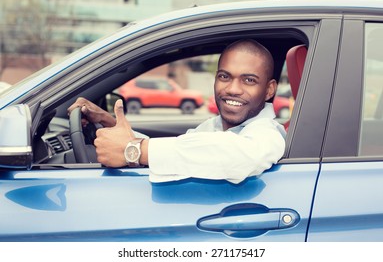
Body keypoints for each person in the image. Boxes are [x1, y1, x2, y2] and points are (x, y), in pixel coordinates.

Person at [68, 39, 286, 184]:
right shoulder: (214, 126)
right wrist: (108, 122)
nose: (233, 89)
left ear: (269, 90)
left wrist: (133, 150)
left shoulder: (269, 135)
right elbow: (184, 148)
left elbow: (235, 155)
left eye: (249, 80)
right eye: (224, 76)